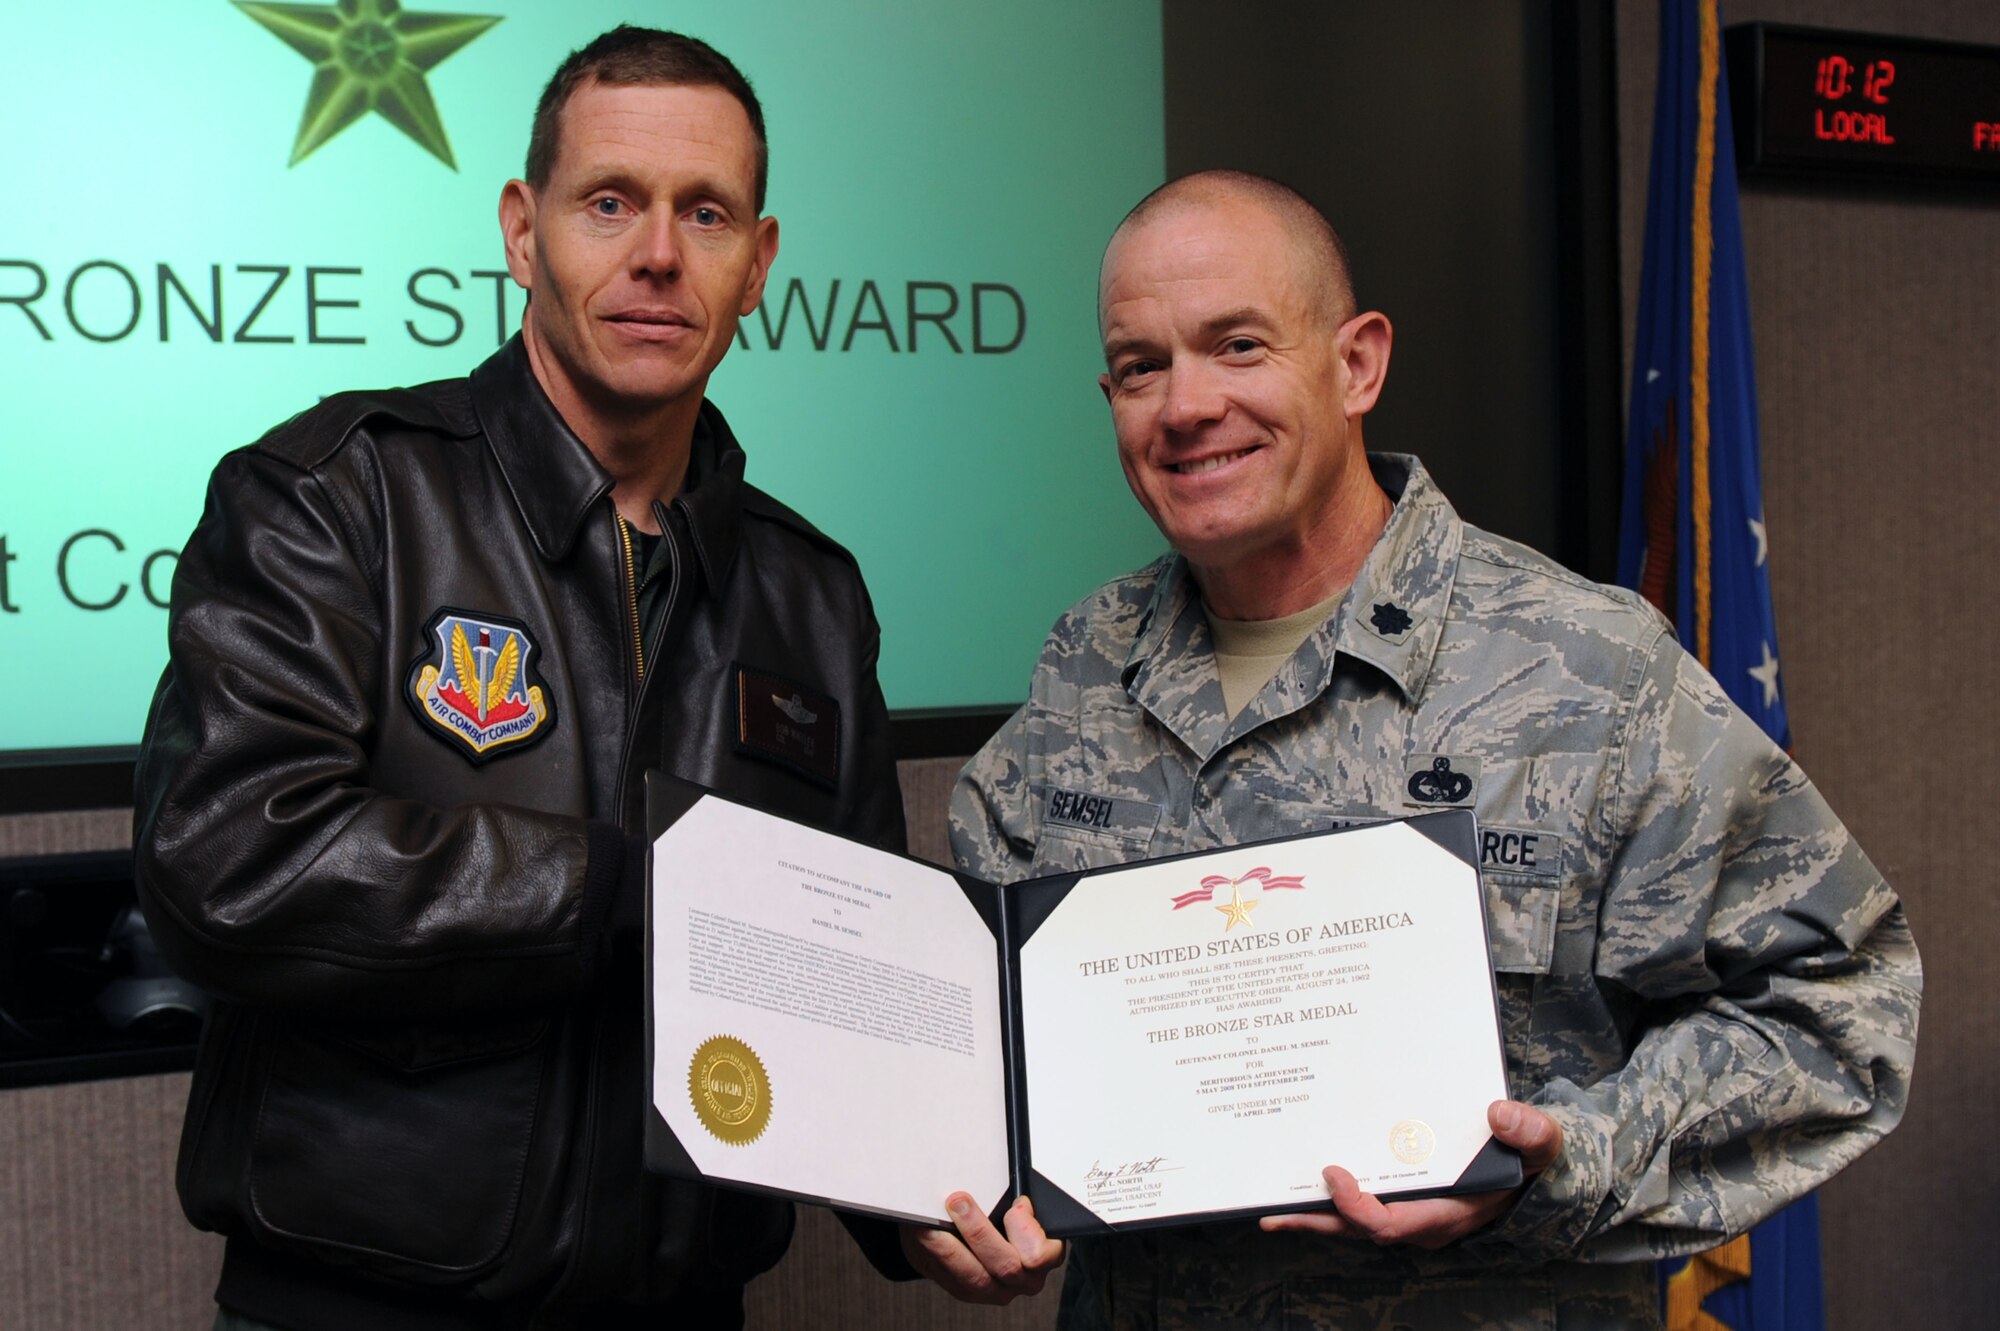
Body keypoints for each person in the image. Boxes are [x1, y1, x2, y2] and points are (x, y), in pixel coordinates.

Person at [947, 170, 1921, 1329]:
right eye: (1142, 365)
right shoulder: (1084, 667)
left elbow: (1836, 998)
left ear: (1356, 364)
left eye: (1237, 344)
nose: (1185, 404)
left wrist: (1573, 1156)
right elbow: (981, 1006)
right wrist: (961, 1185)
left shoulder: (1584, 667)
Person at [133, 26, 909, 1331]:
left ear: (758, 262)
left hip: (684, 1300)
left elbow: (865, 966)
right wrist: (614, 885)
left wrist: (933, 1206)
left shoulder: (810, 592)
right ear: (522, 228)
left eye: (704, 211)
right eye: (610, 201)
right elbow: (224, 859)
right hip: (357, 1302)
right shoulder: (337, 498)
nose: (658, 252)